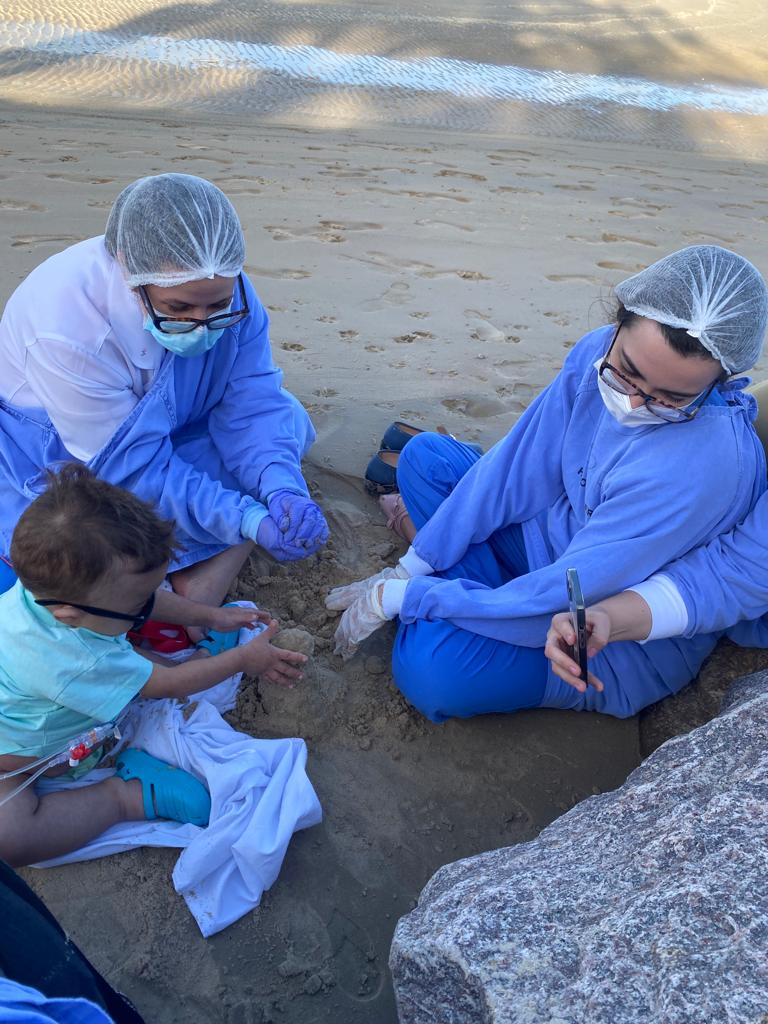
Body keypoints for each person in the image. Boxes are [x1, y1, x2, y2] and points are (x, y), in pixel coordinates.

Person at [326, 245, 768, 722]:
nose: (636, 405)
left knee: (432, 672)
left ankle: (463, 600)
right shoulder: (594, 353)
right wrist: (413, 566)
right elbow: (517, 467)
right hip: (552, 542)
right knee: (425, 458)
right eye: (628, 373)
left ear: (720, 381)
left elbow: (570, 594)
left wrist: (411, 596)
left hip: (602, 622)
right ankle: (464, 590)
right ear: (619, 321)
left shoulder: (703, 468)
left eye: (671, 399)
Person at [0, 173, 328, 606]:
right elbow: (131, 473)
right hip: (69, 455)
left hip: (174, 425)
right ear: (130, 275)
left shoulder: (231, 289)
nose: (201, 323)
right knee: (81, 543)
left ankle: (198, 568)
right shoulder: (65, 328)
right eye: (179, 308)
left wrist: (282, 487)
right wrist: (248, 518)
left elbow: (252, 403)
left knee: (286, 422)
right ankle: (202, 580)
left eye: (217, 306)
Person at [0, 465, 308, 868]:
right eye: (137, 604)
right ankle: (125, 797)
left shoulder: (46, 585)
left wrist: (208, 616)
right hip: (18, 763)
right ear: (69, 613)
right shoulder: (79, 660)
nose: (149, 603)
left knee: (123, 646)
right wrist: (243, 660)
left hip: (37, 721)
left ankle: (207, 653)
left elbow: (142, 601)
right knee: (13, 842)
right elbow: (169, 683)